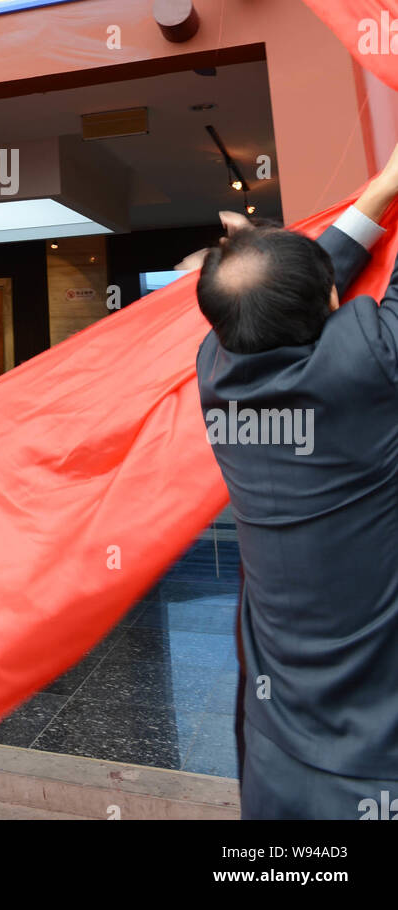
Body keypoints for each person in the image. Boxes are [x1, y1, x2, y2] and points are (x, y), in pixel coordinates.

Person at [192, 144, 398, 819]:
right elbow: (307, 286)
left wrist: (382, 186)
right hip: (373, 765)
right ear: (334, 301)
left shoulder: (216, 373)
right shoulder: (363, 368)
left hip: (278, 760)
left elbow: (282, 297)